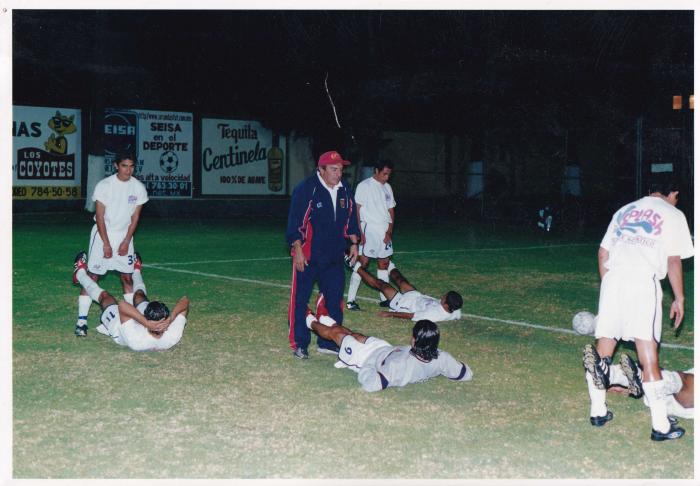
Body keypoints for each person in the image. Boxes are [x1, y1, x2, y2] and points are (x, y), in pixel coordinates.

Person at [582, 179, 694, 441]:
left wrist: (608, 287)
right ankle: (660, 426)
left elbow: (602, 252)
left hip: (613, 278)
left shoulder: (624, 209)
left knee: (603, 349)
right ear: (673, 193)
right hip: (642, 281)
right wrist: (679, 298)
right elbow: (674, 259)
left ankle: (598, 411)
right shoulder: (673, 213)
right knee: (648, 355)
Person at [285, 150, 360, 359]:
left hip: (334, 256)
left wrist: (354, 243)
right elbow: (295, 223)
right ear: (321, 169)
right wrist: (298, 250)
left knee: (334, 300)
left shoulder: (344, 189)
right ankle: (299, 343)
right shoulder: (307, 189)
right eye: (334, 170)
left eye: (341, 170)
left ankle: (328, 342)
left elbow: (351, 218)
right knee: (300, 300)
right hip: (308, 256)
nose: (338, 174)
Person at [304, 309, 472, 392]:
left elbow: (372, 385)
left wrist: (368, 366)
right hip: (384, 348)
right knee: (354, 334)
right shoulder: (441, 357)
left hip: (365, 357)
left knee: (337, 335)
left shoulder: (399, 366)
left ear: (415, 340)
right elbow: (466, 374)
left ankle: (309, 320)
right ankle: (329, 321)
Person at [74, 152, 149, 337]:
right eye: (124, 165)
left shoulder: (138, 187)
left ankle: (133, 319)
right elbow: (99, 216)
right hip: (103, 235)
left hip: (125, 237)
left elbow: (135, 218)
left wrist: (126, 241)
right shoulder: (105, 185)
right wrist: (106, 244)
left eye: (131, 166)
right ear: (116, 165)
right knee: (93, 276)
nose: (128, 170)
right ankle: (81, 321)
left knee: (127, 278)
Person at [73, 250, 189, 351]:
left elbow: (122, 305)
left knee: (105, 297)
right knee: (139, 295)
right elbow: (185, 301)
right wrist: (171, 318)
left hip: (118, 328)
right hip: (147, 323)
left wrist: (145, 322)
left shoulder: (136, 341)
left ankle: (80, 274)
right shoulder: (172, 336)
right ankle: (136, 270)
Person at [345, 159, 396, 310]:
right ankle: (351, 300)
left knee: (384, 263)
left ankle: (384, 298)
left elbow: (391, 210)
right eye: (384, 174)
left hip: (384, 231)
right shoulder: (364, 186)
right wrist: (361, 233)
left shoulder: (388, 187)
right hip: (369, 230)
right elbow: (357, 210)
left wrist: (389, 231)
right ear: (376, 170)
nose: (387, 177)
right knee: (363, 263)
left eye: (389, 175)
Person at [348, 262, 462, 322]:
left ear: (446, 304)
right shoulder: (455, 310)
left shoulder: (433, 315)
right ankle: (387, 262)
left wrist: (389, 314)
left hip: (402, 303)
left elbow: (410, 315)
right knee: (399, 278)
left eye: (444, 297)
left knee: (381, 284)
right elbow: (457, 314)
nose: (442, 296)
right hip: (416, 295)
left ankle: (355, 266)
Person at [597, 352, 694, 420]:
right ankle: (619, 376)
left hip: (683, 395)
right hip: (662, 395)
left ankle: (615, 374)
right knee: (678, 379)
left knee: (682, 380)